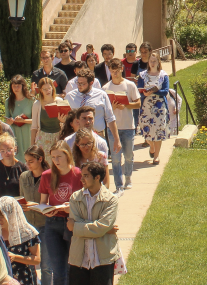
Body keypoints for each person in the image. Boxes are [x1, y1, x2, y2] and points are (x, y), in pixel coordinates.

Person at [67, 161, 121, 285]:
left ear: (97, 177)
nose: (81, 179)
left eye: (86, 176)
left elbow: (100, 226)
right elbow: (96, 227)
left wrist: (81, 227)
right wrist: (99, 229)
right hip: (79, 258)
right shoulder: (75, 197)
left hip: (102, 259)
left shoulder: (110, 200)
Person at [38, 140, 82, 285]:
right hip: (53, 225)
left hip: (72, 224)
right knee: (58, 270)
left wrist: (69, 207)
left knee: (72, 267)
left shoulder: (78, 174)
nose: (56, 160)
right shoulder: (47, 176)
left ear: (67, 155)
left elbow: (84, 201)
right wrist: (45, 211)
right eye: (53, 157)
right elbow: (42, 203)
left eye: (59, 156)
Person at [18, 145, 53, 285]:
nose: (28, 165)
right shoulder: (24, 176)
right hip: (28, 226)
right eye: (26, 162)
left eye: (31, 161)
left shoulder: (50, 176)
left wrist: (34, 206)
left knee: (46, 264)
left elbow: (50, 203)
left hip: (45, 224)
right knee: (30, 263)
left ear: (40, 159)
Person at [102, 58, 140, 193]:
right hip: (113, 128)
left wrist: (127, 105)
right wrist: (111, 107)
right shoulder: (106, 88)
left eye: (117, 71)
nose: (115, 74)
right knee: (116, 158)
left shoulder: (130, 85)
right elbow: (103, 110)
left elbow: (138, 103)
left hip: (128, 126)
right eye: (113, 71)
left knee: (128, 155)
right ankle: (119, 184)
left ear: (122, 69)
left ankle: (128, 178)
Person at [65, 70, 120, 156]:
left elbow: (110, 118)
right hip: (77, 138)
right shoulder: (69, 97)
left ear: (91, 83)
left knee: (98, 164)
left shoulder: (102, 95)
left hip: (97, 136)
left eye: (82, 84)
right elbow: (66, 119)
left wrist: (116, 139)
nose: (79, 86)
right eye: (78, 83)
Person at [138, 52, 171, 165]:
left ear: (158, 62)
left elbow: (165, 91)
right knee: (146, 131)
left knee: (158, 131)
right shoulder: (142, 75)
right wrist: (145, 94)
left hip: (159, 107)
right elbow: (139, 90)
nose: (152, 63)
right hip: (146, 106)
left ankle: (156, 156)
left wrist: (154, 91)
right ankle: (151, 145)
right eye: (150, 61)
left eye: (154, 61)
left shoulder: (163, 75)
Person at [3, 76, 34, 159]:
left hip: (28, 132)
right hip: (15, 132)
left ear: (23, 86)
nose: (16, 88)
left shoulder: (31, 100)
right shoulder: (8, 101)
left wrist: (23, 120)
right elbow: (6, 120)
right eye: (14, 86)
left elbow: (36, 120)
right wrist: (9, 122)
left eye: (18, 86)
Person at [0, 134, 27, 199]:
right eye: (2, 151)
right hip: (0, 205)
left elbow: (26, 192)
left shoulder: (22, 168)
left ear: (15, 149)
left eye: (9, 150)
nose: (6, 153)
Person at [31, 77, 64, 151]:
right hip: (43, 137)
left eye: (49, 88)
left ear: (52, 88)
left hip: (58, 136)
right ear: (40, 90)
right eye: (44, 89)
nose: (47, 91)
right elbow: (34, 127)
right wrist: (32, 145)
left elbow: (66, 121)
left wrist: (62, 121)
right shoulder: (37, 104)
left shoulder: (60, 101)